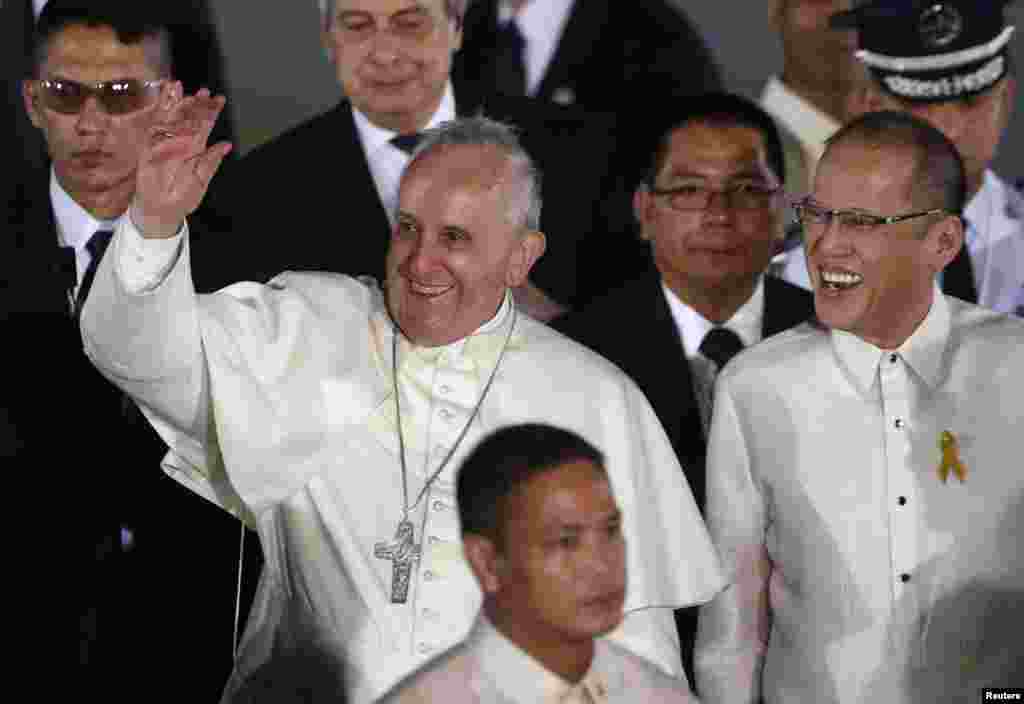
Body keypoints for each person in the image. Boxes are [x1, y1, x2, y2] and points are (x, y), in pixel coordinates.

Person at [81, 104, 725, 703]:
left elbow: (638, 651)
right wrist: (153, 225)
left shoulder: (595, 398)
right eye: (409, 229)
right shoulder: (305, 326)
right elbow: (136, 354)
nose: (421, 262)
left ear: (520, 258)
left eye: (456, 238)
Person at [695, 110, 1024, 703]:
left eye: (862, 221)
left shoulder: (1016, 369)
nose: (825, 244)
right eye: (817, 215)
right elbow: (731, 634)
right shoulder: (755, 388)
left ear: (942, 242)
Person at [4, 1, 246, 698]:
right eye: (64, 94)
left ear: (169, 98)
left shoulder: (245, 249)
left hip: (198, 646)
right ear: (30, 101)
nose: (90, 124)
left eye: (121, 96)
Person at [553, 92, 815, 684]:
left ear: (783, 211)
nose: (718, 214)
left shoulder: (834, 339)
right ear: (645, 211)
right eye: (689, 190)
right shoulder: (575, 356)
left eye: (746, 190)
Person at [196, 0, 622, 310]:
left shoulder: (574, 154)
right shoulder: (258, 193)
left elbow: (622, 326)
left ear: (456, 25)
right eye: (359, 25)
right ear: (329, 39)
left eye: (410, 23)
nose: (385, 53)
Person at [379, 423, 700, 703]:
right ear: (487, 563)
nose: (602, 565)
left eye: (610, 530)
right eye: (566, 542)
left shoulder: (659, 695)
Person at [837, 0, 1023, 315]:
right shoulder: (808, 266)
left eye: (970, 101)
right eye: (921, 105)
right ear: (870, 108)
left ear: (1004, 100)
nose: (950, 128)